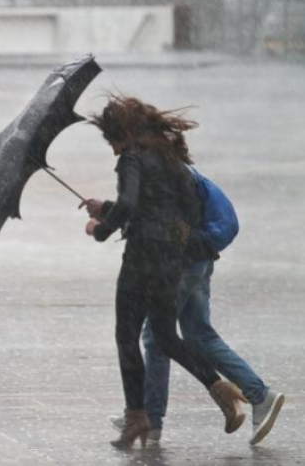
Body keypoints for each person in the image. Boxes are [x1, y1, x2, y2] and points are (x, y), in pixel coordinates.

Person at [81, 96, 246, 448]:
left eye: (112, 141)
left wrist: (100, 228)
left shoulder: (132, 158)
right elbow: (163, 209)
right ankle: (220, 389)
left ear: (123, 134)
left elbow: (129, 205)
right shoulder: (170, 157)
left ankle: (136, 418)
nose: (113, 150)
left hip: (141, 258)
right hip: (171, 259)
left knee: (126, 336)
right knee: (166, 336)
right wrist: (106, 206)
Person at [110, 127, 285, 446]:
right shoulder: (182, 172)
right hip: (200, 260)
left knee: (155, 335)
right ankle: (260, 396)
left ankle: (151, 419)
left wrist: (113, 219)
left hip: (186, 263)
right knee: (198, 333)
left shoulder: (175, 178)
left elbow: (168, 226)